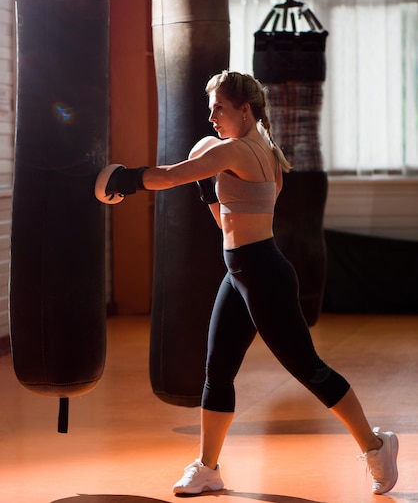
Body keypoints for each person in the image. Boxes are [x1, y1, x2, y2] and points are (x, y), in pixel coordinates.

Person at [95, 70, 398, 496]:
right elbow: (226, 226)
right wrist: (208, 191)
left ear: (245, 109)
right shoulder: (262, 150)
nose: (212, 116)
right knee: (217, 370)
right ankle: (208, 467)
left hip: (264, 276)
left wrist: (123, 181)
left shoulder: (238, 151)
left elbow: (165, 177)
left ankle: (376, 446)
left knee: (309, 369)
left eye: (220, 107)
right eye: (210, 108)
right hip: (240, 274)